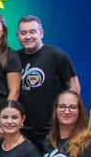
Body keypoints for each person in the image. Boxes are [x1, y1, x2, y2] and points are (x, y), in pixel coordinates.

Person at [16, 16, 79, 149]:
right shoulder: (15, 58)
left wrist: (68, 117)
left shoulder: (56, 55)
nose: (28, 36)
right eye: (23, 33)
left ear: (41, 33)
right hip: (23, 131)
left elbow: (74, 86)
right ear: (18, 36)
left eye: (32, 32)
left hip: (51, 130)